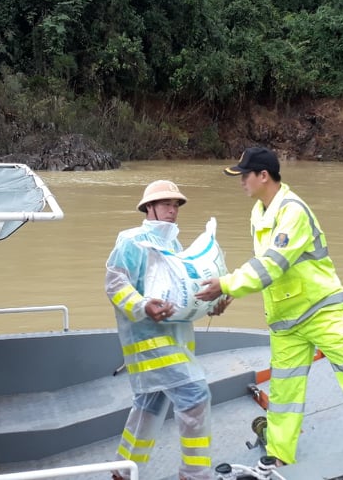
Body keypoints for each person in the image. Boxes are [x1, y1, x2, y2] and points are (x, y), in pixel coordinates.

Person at [195, 147, 343, 465]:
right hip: (285, 321)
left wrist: (225, 284)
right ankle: (281, 453)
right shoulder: (259, 213)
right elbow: (261, 266)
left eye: (244, 175)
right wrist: (230, 295)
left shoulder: (293, 211)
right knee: (284, 394)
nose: (241, 181)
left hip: (322, 310)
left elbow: (273, 264)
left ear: (263, 176)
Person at [105, 180, 218, 480]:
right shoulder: (131, 241)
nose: (172, 209)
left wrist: (212, 303)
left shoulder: (174, 246)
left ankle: (122, 470)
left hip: (172, 339)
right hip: (148, 342)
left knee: (149, 404)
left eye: (176, 204)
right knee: (195, 395)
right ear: (149, 208)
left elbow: (183, 293)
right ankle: (194, 474)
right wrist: (143, 306)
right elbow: (115, 284)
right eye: (166, 203)